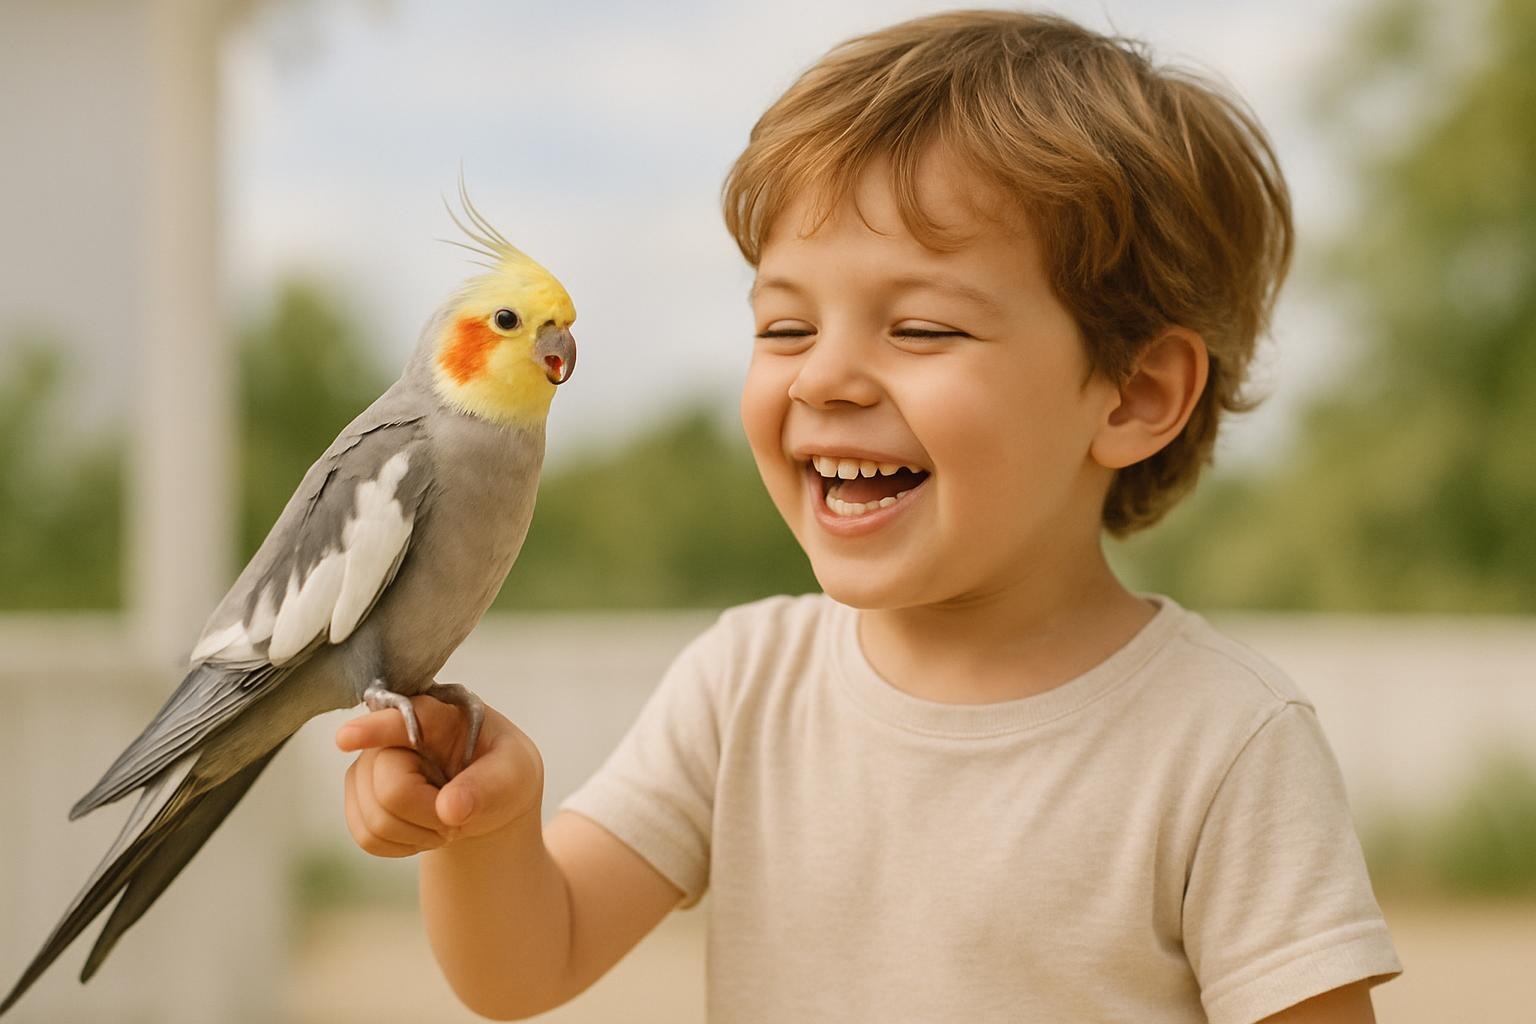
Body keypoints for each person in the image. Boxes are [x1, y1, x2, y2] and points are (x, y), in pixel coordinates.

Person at [336, 10, 1401, 1022]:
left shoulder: (1224, 742)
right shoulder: (745, 684)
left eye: (924, 328)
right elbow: (528, 962)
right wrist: (489, 827)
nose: (826, 377)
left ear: (1133, 395)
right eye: (787, 326)